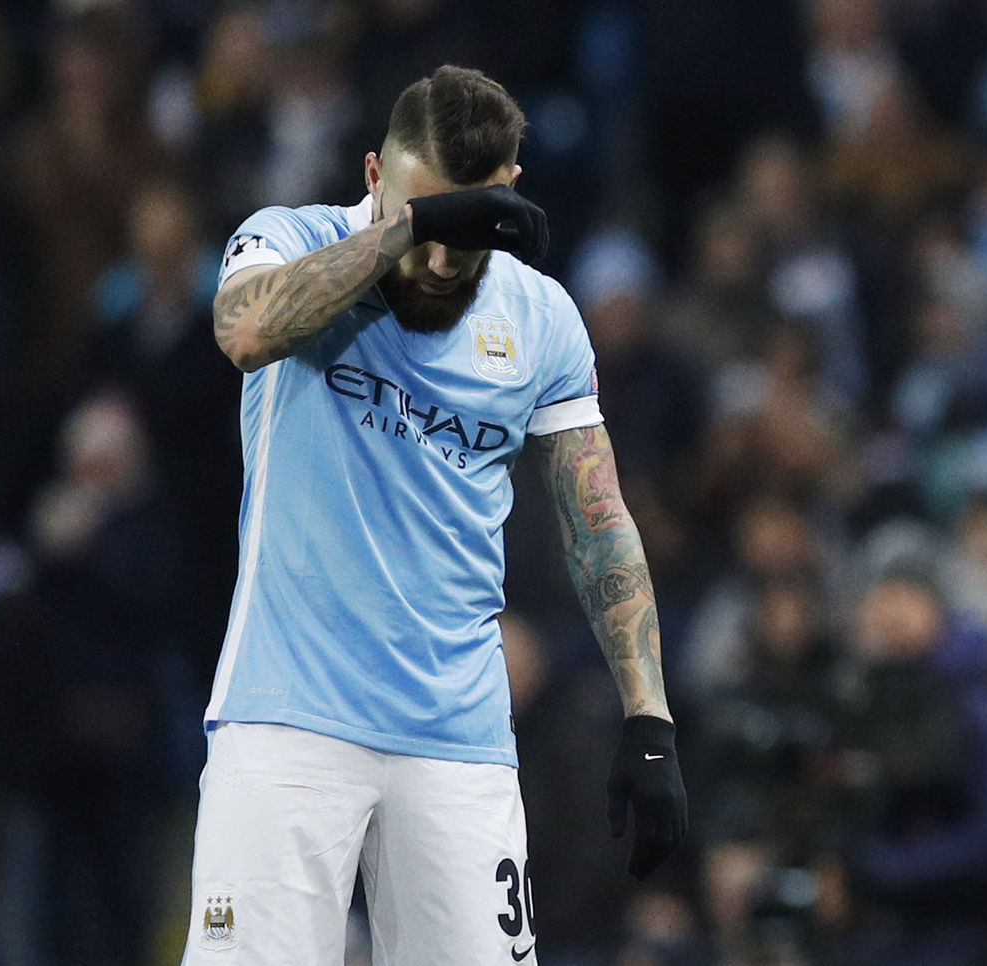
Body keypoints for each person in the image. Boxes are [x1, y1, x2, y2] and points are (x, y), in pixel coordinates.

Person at [182, 65, 688, 966]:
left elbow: (597, 517)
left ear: (511, 193)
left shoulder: (542, 319)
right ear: (375, 175)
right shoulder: (290, 237)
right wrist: (411, 229)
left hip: (460, 742)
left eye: (472, 232)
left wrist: (648, 715)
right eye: (429, 223)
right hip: (286, 719)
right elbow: (245, 332)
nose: (445, 263)